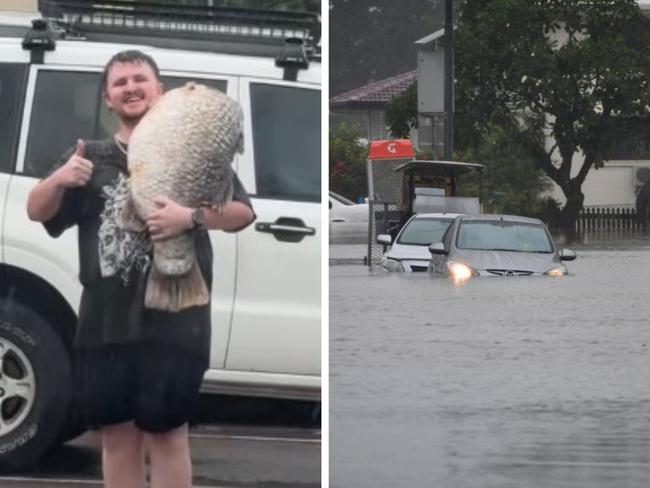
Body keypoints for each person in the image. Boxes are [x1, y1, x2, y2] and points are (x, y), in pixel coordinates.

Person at [26, 50, 255, 488]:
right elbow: (37, 211)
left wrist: (191, 218)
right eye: (120, 83)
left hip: (177, 322)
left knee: (168, 435)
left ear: (160, 92)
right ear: (107, 100)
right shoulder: (86, 157)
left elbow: (242, 213)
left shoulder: (194, 151)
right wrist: (59, 179)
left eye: (140, 79)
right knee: (116, 435)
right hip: (104, 323)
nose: (131, 87)